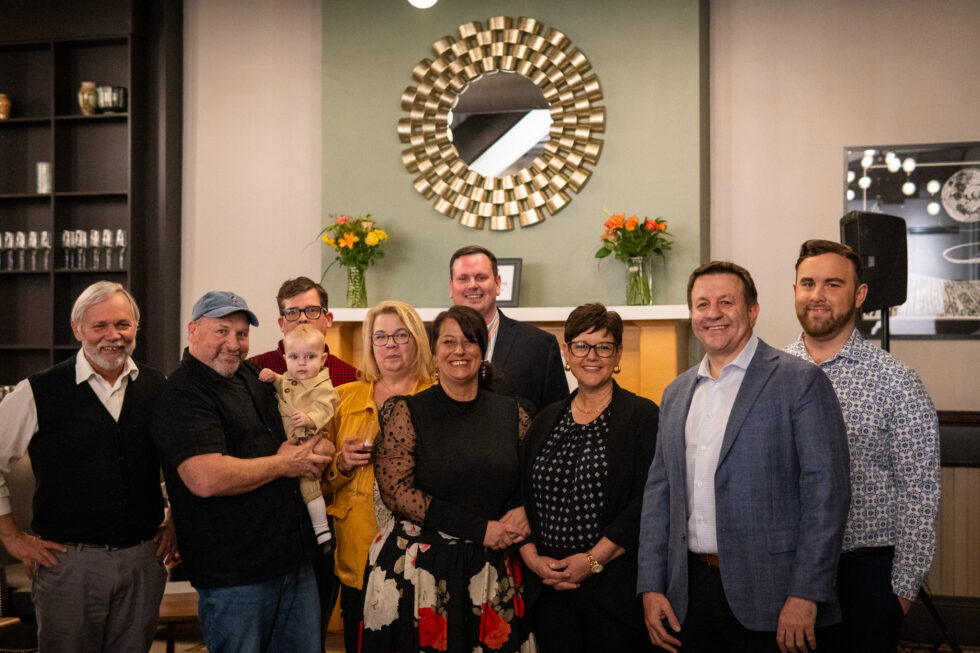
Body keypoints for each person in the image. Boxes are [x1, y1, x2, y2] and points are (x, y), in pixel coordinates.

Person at [638, 261, 851, 653]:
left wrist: (806, 593)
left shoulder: (800, 382)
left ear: (752, 311)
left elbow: (827, 498)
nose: (713, 314)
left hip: (775, 597)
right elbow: (658, 496)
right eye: (702, 304)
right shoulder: (676, 393)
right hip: (688, 596)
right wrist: (651, 586)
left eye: (726, 302)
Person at [151, 290, 335, 653]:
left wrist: (321, 443)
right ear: (193, 331)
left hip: (293, 563)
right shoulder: (182, 394)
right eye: (222, 331)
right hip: (235, 577)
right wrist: (284, 464)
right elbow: (206, 478)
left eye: (242, 333)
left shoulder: (252, 375)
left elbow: (298, 430)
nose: (234, 344)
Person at [0, 281, 177, 653]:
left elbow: (181, 462)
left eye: (123, 324)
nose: (113, 335)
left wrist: (175, 518)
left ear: (136, 328)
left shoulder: (159, 387)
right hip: (68, 565)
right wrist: (12, 536)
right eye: (100, 326)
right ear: (77, 328)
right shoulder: (38, 390)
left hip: (142, 562)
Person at [785, 239, 941, 653]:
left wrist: (902, 590)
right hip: (786, 569)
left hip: (865, 576)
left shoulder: (896, 382)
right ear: (795, 290)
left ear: (859, 295)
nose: (817, 295)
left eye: (833, 284)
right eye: (808, 283)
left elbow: (920, 491)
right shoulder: (771, 376)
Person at [361, 305, 532, 653]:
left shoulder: (513, 412)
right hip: (421, 572)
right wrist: (479, 529)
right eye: (449, 342)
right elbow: (397, 492)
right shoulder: (408, 411)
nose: (459, 350)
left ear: (482, 349)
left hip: (492, 570)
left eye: (469, 341)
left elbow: (532, 478)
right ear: (434, 351)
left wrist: (525, 509)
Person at [520, 303, 659, 652]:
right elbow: (520, 493)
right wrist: (533, 559)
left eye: (603, 346)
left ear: (618, 354)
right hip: (549, 588)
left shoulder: (642, 416)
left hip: (613, 591)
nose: (591, 356)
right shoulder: (545, 420)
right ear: (567, 353)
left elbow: (647, 501)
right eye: (581, 345)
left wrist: (593, 561)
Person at [322, 300, 435, 653]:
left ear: (417, 340)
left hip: (423, 549)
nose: (390, 344)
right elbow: (315, 478)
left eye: (401, 335)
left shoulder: (438, 396)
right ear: (370, 344)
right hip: (358, 550)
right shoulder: (342, 398)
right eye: (381, 336)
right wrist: (341, 463)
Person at [449, 245, 568, 411]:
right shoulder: (431, 344)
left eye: (481, 277)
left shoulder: (540, 345)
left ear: (498, 284)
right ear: (451, 287)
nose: (472, 285)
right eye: (463, 278)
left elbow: (557, 415)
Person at [259, 323, 340, 551]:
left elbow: (327, 407)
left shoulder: (323, 385)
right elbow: (283, 384)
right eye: (294, 357)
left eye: (309, 356)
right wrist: (274, 377)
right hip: (285, 443)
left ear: (323, 359)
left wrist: (310, 418)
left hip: (307, 441)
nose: (301, 363)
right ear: (285, 358)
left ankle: (322, 530)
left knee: (309, 486)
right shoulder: (289, 378)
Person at [248, 276, 358, 383]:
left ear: (328, 319)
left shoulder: (351, 377)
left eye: (312, 310)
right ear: (281, 324)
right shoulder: (253, 370)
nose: (302, 318)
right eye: (292, 312)